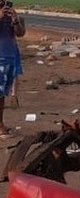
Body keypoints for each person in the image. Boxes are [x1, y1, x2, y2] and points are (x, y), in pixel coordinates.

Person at [0, 0, 22, 138]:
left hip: (10, 57)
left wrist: (15, 20)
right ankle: (0, 126)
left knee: (2, 94)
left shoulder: (11, 16)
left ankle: (1, 123)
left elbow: (20, 33)